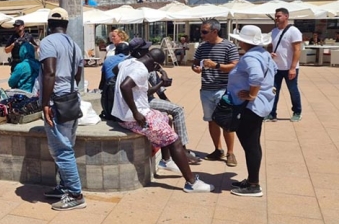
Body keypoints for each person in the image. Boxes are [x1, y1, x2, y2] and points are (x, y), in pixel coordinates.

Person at [113, 49, 214, 193]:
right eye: (157, 67)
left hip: (125, 113)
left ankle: (166, 160)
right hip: (133, 117)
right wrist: (135, 112)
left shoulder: (128, 62)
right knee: (175, 141)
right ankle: (191, 183)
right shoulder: (141, 70)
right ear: (154, 64)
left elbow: (115, 70)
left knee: (166, 119)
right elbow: (125, 86)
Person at [39, 7, 86, 211]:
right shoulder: (74, 45)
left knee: (61, 149)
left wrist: (45, 103)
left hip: (57, 100)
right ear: (66, 25)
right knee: (66, 145)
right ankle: (64, 186)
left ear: (49, 25)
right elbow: (78, 73)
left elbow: (49, 73)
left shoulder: (48, 42)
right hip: (71, 98)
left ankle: (75, 194)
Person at [226, 26, 277, 196]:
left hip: (250, 107)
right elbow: (273, 71)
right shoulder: (264, 54)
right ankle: (251, 180)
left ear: (244, 41)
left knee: (251, 145)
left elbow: (257, 77)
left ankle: (253, 185)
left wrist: (251, 95)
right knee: (253, 143)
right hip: (260, 105)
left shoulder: (250, 57)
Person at [192, 19, 239, 166]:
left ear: (215, 31)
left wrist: (216, 65)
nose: (202, 34)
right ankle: (218, 150)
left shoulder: (228, 46)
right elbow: (195, 62)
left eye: (205, 32)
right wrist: (196, 68)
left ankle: (231, 153)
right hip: (206, 89)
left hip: (223, 89)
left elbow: (234, 66)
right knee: (211, 121)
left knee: (226, 122)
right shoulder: (202, 47)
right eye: (201, 31)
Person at [267, 8, 303, 122]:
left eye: (279, 16)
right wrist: (270, 53)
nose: (276, 18)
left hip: (289, 68)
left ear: (286, 16)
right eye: (276, 16)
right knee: (273, 90)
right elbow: (271, 46)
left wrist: (292, 68)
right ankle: (272, 113)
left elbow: (297, 50)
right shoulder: (274, 31)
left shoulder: (294, 31)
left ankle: (297, 112)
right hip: (276, 67)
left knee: (293, 90)